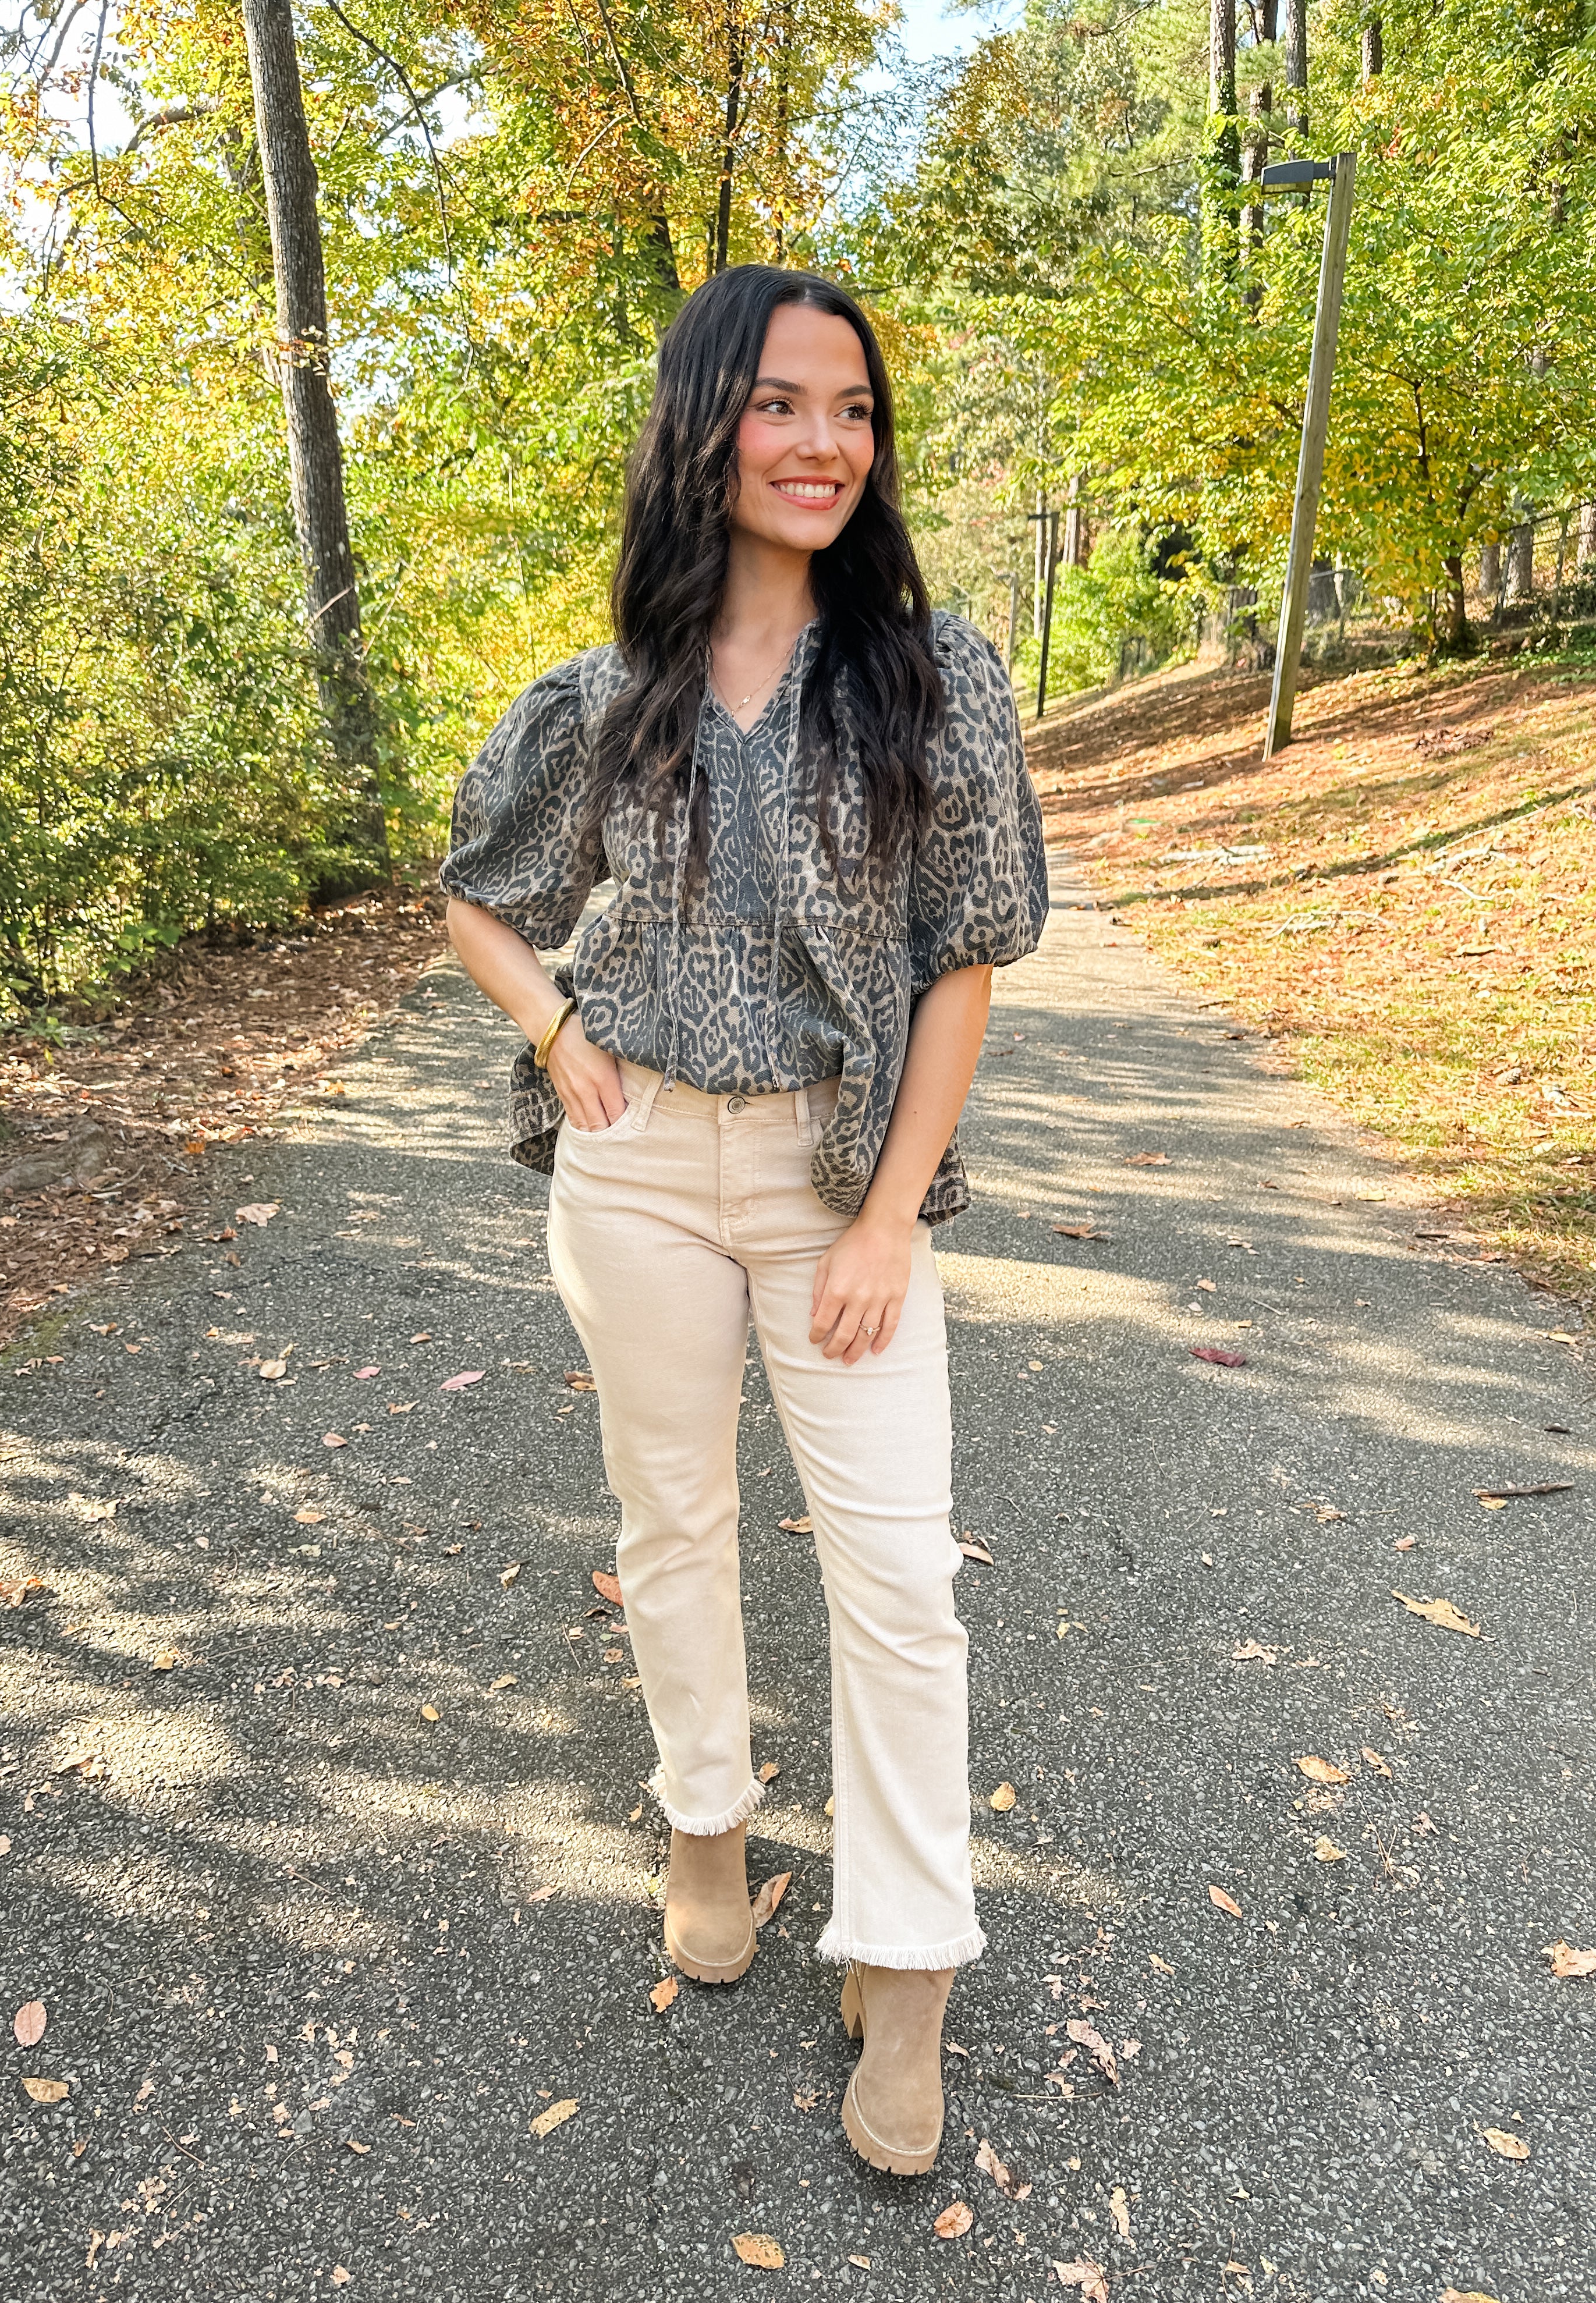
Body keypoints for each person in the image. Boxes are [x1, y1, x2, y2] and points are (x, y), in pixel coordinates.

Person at [442, 263, 1046, 2177]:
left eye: (854, 410)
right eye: (785, 405)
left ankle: (907, 1961)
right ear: (706, 429)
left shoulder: (936, 677)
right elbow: (476, 896)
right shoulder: (605, 694)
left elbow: (963, 958)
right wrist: (561, 1040)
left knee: (899, 1584)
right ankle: (709, 1828)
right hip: (636, 1181)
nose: (824, 445)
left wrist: (884, 1220)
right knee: (673, 1524)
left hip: (831, 1190)